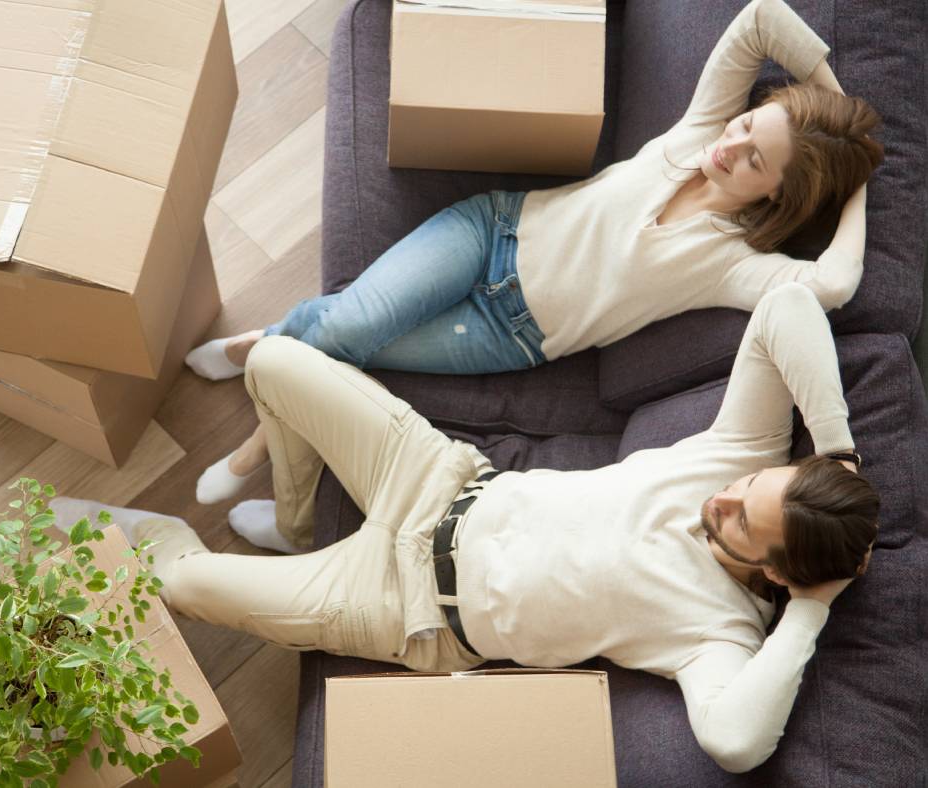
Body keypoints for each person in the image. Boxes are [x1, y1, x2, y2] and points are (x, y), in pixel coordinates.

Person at [53, 282, 879, 772]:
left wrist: (812, 607)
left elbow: (736, 744)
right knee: (270, 359)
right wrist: (836, 450)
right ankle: (300, 524)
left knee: (184, 583)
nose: (724, 501)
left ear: (776, 574)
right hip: (438, 478)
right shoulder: (736, 453)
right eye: (751, 485)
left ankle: (161, 537)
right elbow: (787, 302)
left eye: (743, 523)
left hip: (408, 606)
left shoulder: (721, 637)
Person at [184, 0, 885, 523]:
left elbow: (832, 283)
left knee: (338, 340)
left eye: (753, 159)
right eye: (744, 127)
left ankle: (262, 360)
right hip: (489, 231)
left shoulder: (733, 264)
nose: (729, 147)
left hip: (506, 335)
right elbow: (761, 18)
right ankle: (258, 442)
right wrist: (828, 93)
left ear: (779, 194)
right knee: (347, 328)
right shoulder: (699, 132)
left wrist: (853, 190)